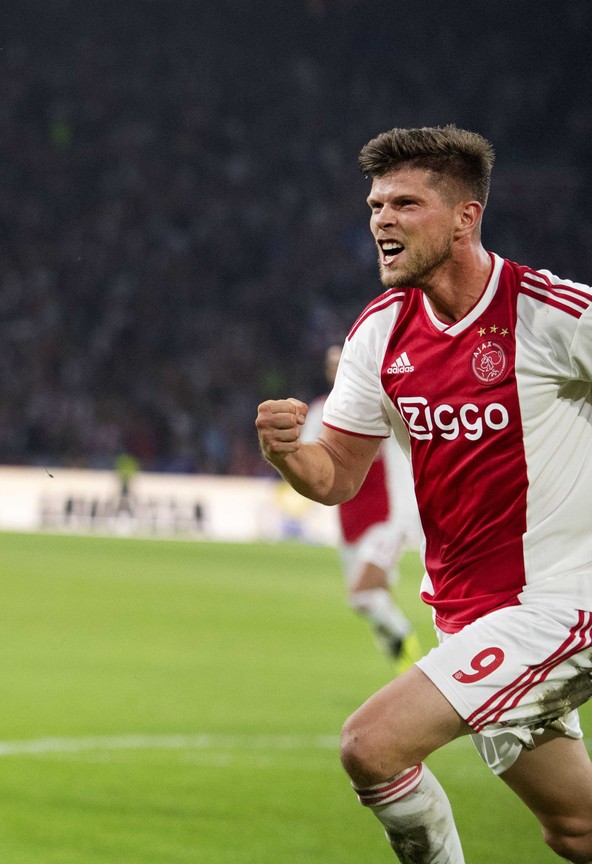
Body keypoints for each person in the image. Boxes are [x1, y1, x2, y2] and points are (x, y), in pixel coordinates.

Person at [256, 125, 592, 863]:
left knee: (371, 747)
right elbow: (337, 474)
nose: (382, 218)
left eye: (405, 203)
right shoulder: (381, 333)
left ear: (465, 218)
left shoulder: (553, 313)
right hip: (469, 619)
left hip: (563, 601)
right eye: (377, 204)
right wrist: (288, 457)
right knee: (576, 830)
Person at [301, 344, 422, 673]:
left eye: (341, 361)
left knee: (362, 595)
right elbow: (308, 459)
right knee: (376, 597)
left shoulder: (380, 405)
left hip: (388, 518)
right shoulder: (319, 411)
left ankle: (406, 640)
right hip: (349, 521)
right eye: (330, 363)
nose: (335, 368)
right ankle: (405, 668)